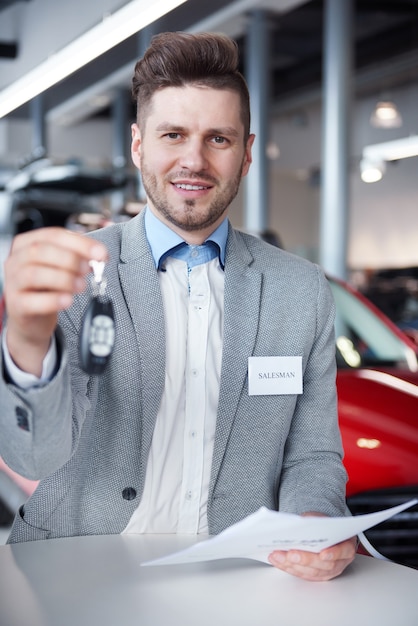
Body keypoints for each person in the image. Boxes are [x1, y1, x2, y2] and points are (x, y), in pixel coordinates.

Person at [0, 31, 356, 581]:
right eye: (174, 135)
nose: (194, 160)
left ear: (247, 153)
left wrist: (315, 521)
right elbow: (33, 459)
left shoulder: (300, 290)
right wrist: (25, 338)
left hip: (235, 575)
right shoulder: (76, 272)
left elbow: (312, 456)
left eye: (218, 138)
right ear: (139, 144)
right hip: (74, 569)